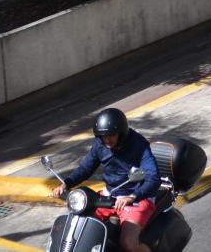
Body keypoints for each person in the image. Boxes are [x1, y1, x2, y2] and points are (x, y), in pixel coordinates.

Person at [51, 108, 161, 252]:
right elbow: (86, 168)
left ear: (121, 133)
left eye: (112, 135)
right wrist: (65, 184)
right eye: (104, 136)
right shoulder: (100, 145)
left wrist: (133, 196)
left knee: (128, 243)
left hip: (136, 198)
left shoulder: (139, 145)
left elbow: (153, 178)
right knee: (80, 226)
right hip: (110, 195)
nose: (107, 139)